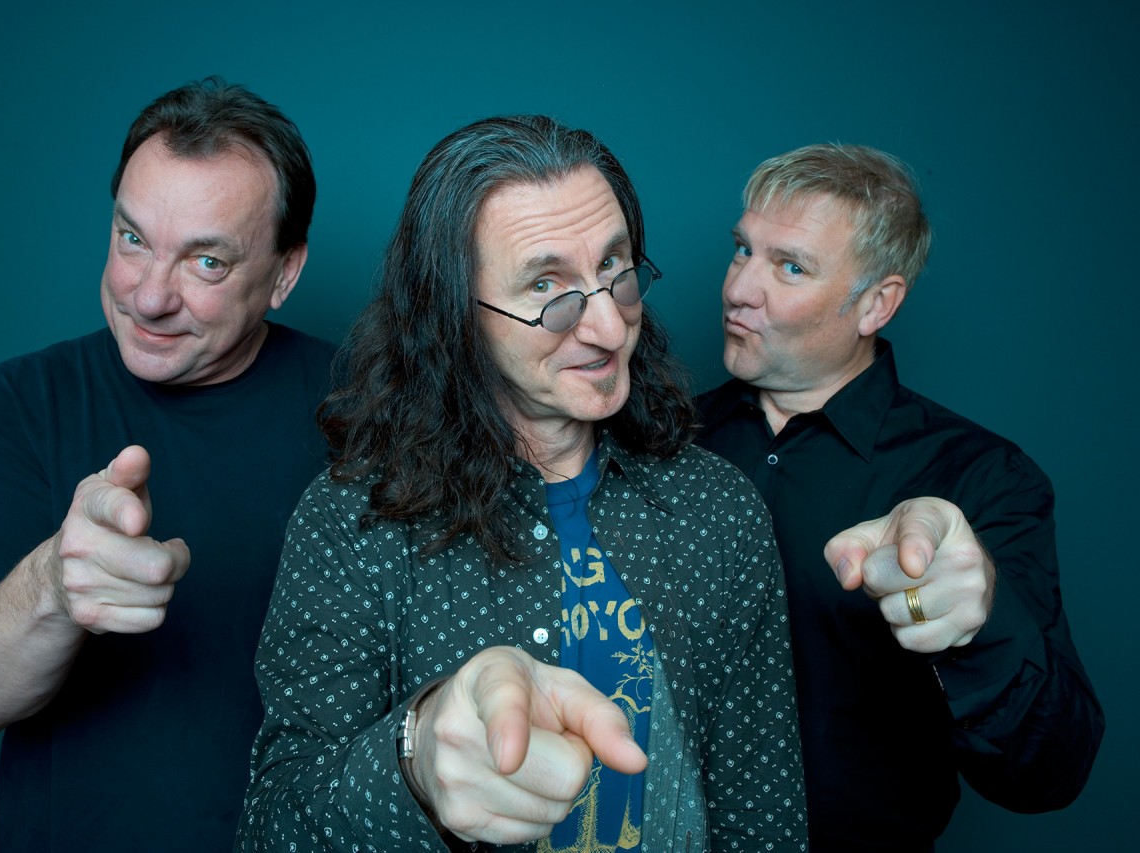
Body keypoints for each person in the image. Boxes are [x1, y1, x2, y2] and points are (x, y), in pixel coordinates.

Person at [239, 115, 807, 851]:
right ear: (454, 314)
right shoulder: (351, 521)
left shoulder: (719, 510)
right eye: (547, 286)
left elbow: (763, 816)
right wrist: (415, 761)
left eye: (615, 268)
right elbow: (276, 825)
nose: (609, 328)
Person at [0, 77, 336, 852]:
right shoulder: (25, 400)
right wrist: (55, 585)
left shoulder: (372, 416)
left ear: (284, 274)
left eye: (205, 261)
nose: (148, 297)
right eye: (132, 238)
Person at [694, 143, 1104, 852]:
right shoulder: (660, 444)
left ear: (876, 304)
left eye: (790, 267)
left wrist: (981, 620)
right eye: (743, 250)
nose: (739, 288)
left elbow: (1050, 774)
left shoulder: (985, 477)